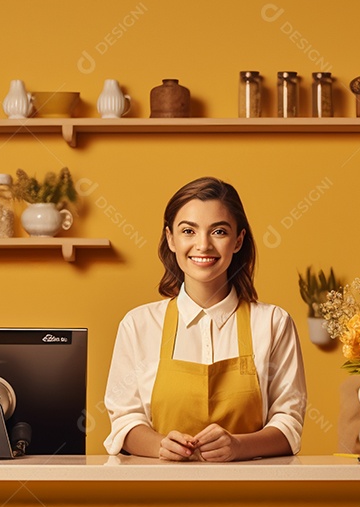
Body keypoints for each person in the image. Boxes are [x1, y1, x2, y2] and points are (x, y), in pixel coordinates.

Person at [103, 177, 306, 461]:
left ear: (238, 240)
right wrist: (160, 446)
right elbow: (125, 422)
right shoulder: (138, 325)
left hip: (254, 494)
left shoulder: (273, 323)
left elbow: (289, 424)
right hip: (159, 493)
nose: (203, 245)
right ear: (171, 239)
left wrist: (239, 447)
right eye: (188, 230)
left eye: (219, 232)